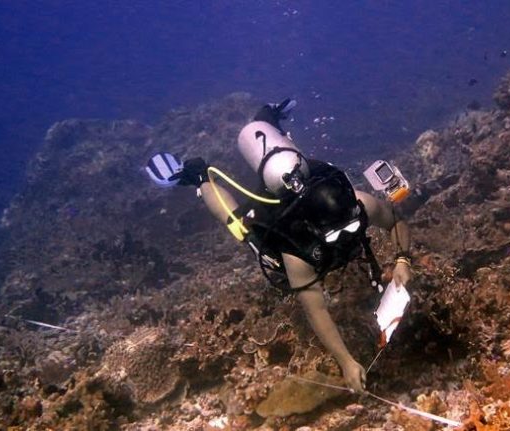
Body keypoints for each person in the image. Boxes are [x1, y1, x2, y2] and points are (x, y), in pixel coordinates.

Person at [151, 100, 412, 392]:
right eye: (336, 233)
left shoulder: (359, 203)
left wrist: (403, 259)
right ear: (316, 231)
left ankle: (268, 121)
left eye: (351, 226)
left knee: (291, 165)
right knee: (239, 225)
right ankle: (199, 177)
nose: (347, 234)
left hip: (298, 178)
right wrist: (346, 361)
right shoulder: (296, 252)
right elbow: (317, 311)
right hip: (280, 223)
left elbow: (395, 222)